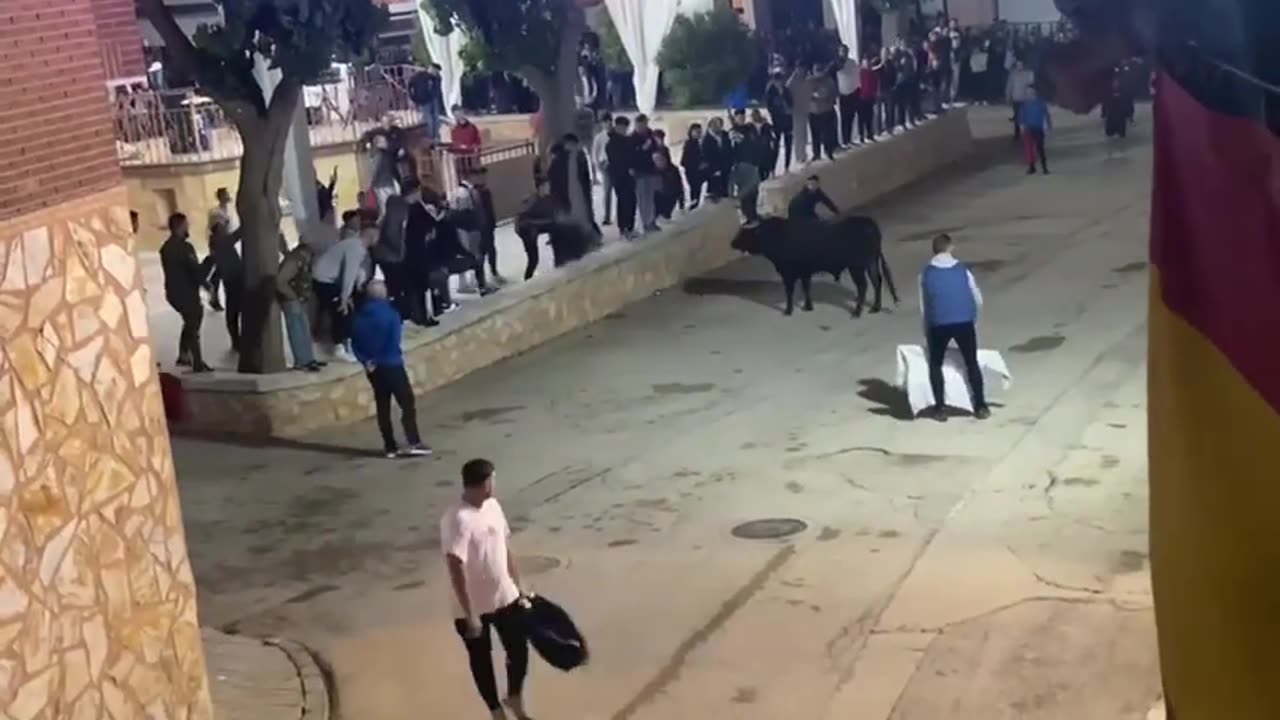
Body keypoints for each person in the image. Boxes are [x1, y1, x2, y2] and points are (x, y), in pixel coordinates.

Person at [441, 458, 533, 720]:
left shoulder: (493, 506)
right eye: (492, 480)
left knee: (518, 649)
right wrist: (469, 614)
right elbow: (454, 566)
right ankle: (496, 710)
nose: (495, 485)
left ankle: (513, 696)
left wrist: (519, 586)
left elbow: (505, 547)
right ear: (484, 483)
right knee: (482, 661)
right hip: (471, 607)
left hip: (504, 596)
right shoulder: (457, 519)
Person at [351, 281, 431, 458]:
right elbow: (393, 341)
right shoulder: (391, 314)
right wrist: (382, 358)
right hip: (392, 365)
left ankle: (390, 446)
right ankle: (413, 441)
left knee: (383, 405)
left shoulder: (358, 317)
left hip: (373, 369)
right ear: (383, 294)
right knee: (407, 403)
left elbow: (355, 344)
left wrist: (366, 361)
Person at [919, 233, 989, 422]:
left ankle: (940, 408)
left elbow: (924, 305)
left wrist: (927, 330)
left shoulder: (926, 273)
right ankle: (981, 405)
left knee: (935, 364)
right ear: (950, 248)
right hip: (963, 322)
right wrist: (973, 318)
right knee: (971, 363)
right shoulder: (962, 269)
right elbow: (977, 297)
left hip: (939, 324)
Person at [312, 212, 375, 362]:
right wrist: (345, 297)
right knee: (342, 309)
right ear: (371, 235)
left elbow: (356, 272)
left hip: (332, 278)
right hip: (324, 280)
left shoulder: (357, 245)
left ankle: (347, 341)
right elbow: (349, 272)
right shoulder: (355, 247)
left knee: (350, 305)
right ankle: (338, 346)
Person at [159, 213, 211, 372]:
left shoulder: (165, 248)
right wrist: (209, 263)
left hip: (172, 292)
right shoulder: (184, 248)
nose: (188, 228)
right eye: (186, 225)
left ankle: (184, 355)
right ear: (180, 226)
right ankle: (197, 362)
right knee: (194, 322)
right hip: (186, 292)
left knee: (190, 322)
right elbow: (195, 271)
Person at [276, 241, 324, 372]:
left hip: (300, 299)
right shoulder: (295, 259)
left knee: (304, 328)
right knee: (296, 329)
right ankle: (302, 361)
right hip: (292, 300)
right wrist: (293, 297)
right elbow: (280, 281)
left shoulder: (303, 258)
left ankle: (308, 359)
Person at [547, 133, 599, 253]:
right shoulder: (569, 159)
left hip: (572, 195)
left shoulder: (573, 158)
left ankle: (587, 241)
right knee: (580, 218)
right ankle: (586, 242)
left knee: (580, 218)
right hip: (572, 195)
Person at [373, 179, 416, 317]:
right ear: (415, 191)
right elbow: (393, 231)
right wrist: (400, 251)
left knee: (396, 286)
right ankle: (399, 314)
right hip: (390, 255)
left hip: (388, 253)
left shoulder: (397, 205)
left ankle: (401, 312)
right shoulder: (399, 206)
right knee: (397, 286)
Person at [207, 215, 244, 354]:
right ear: (218, 229)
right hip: (233, 278)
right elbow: (239, 234)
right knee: (235, 310)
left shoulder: (216, 241)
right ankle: (236, 340)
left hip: (231, 278)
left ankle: (236, 340)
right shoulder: (220, 240)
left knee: (234, 310)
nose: (225, 228)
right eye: (223, 226)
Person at [205, 187, 238, 311]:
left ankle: (214, 296)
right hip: (220, 244)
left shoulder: (231, 209)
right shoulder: (215, 212)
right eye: (224, 194)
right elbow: (215, 230)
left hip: (230, 243)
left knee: (219, 272)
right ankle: (214, 298)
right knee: (220, 272)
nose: (227, 196)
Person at [605, 115, 637, 238]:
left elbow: (632, 155)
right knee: (624, 202)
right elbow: (616, 160)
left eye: (626, 127)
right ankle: (623, 228)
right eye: (622, 127)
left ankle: (630, 226)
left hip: (630, 177)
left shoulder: (628, 141)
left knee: (632, 201)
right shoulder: (611, 143)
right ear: (617, 127)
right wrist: (628, 167)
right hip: (619, 177)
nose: (624, 130)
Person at [631, 114, 661, 234]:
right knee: (642, 198)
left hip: (650, 169)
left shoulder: (650, 134)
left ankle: (651, 220)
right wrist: (643, 148)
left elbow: (655, 150)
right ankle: (645, 223)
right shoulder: (633, 137)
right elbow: (632, 155)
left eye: (645, 123)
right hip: (639, 172)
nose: (644, 126)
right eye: (641, 124)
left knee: (651, 197)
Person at [763, 70, 794, 173]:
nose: (780, 83)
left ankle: (787, 166)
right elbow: (770, 107)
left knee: (788, 144)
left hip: (788, 121)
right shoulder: (770, 91)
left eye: (781, 81)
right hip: (777, 122)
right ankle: (772, 168)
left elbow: (791, 104)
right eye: (778, 81)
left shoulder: (786, 90)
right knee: (775, 146)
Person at [808, 62, 839, 162]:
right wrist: (813, 96)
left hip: (827, 111)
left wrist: (826, 97)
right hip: (814, 112)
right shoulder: (809, 81)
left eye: (820, 71)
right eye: (816, 71)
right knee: (815, 134)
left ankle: (829, 152)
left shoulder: (829, 81)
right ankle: (816, 154)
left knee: (828, 134)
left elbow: (835, 94)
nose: (818, 73)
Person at [1018, 85, 1052, 174]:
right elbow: (1021, 117)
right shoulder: (1024, 105)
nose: (1029, 94)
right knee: (1029, 149)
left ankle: (1044, 167)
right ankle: (1032, 167)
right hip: (1028, 129)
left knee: (1040, 148)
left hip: (1038, 128)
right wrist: (1022, 127)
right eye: (1027, 93)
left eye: (1031, 92)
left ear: (1035, 93)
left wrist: (1048, 127)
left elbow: (1046, 116)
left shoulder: (1041, 104)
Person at [410, 64, 447, 144]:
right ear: (430, 68)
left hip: (433, 99)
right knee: (428, 119)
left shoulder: (436, 78)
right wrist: (413, 98)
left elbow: (437, 89)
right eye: (435, 70)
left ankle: (435, 136)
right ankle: (431, 137)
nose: (435, 72)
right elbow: (410, 85)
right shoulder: (419, 76)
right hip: (423, 100)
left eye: (437, 71)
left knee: (436, 118)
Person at [835, 45, 862, 148]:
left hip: (853, 92)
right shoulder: (837, 63)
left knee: (851, 116)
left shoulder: (852, 62)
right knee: (844, 118)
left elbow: (856, 75)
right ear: (839, 52)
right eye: (842, 51)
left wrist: (858, 88)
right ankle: (844, 140)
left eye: (845, 51)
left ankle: (849, 139)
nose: (844, 53)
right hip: (843, 94)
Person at [1006, 59, 1036, 142]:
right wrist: (1008, 96)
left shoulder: (1029, 73)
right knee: (1019, 116)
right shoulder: (1014, 74)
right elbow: (1010, 86)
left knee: (1022, 116)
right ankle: (1019, 132)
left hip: (1024, 98)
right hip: (1020, 98)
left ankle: (1023, 132)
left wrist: (1008, 96)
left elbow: (1033, 85)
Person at [450, 105, 484, 177]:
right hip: (461, 163)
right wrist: (460, 147)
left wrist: (475, 149)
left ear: (462, 113)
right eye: (456, 115)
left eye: (459, 113)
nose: (458, 116)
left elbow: (477, 141)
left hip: (472, 158)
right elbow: (455, 144)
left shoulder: (472, 127)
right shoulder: (454, 130)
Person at [702, 116, 731, 202]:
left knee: (725, 192)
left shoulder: (725, 135)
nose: (719, 127)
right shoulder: (706, 140)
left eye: (720, 125)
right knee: (715, 193)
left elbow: (729, 151)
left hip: (725, 169)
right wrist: (714, 169)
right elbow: (707, 156)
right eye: (717, 125)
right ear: (711, 126)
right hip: (713, 171)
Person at [592, 112, 613, 224]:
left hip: (616, 164)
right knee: (607, 190)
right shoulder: (599, 137)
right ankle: (607, 216)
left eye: (609, 121)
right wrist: (597, 166)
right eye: (605, 122)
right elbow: (595, 153)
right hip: (605, 164)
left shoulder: (616, 134)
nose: (608, 124)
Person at [680, 123, 708, 210]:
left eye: (700, 132)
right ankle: (693, 209)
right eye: (696, 132)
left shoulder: (700, 143)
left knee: (698, 192)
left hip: (699, 172)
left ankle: (695, 207)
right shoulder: (689, 144)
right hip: (692, 172)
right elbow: (684, 161)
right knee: (695, 192)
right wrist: (697, 165)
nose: (698, 133)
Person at [654, 150, 685, 220]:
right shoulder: (653, 173)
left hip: (670, 196)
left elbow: (679, 187)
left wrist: (681, 204)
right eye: (655, 160)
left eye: (660, 159)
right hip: (658, 198)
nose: (658, 162)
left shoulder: (673, 170)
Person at [750, 108, 778, 180]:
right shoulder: (750, 127)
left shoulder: (767, 126)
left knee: (766, 171)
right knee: (759, 173)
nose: (754, 117)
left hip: (766, 151)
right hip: (755, 153)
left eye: (756, 115)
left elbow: (774, 137)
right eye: (753, 115)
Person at [857, 56, 880, 143]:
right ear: (862, 63)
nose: (867, 64)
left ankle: (870, 134)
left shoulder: (872, 73)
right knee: (861, 118)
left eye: (868, 62)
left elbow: (875, 85)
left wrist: (875, 95)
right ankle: (861, 135)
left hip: (870, 98)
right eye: (865, 62)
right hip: (861, 98)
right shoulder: (859, 72)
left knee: (869, 117)